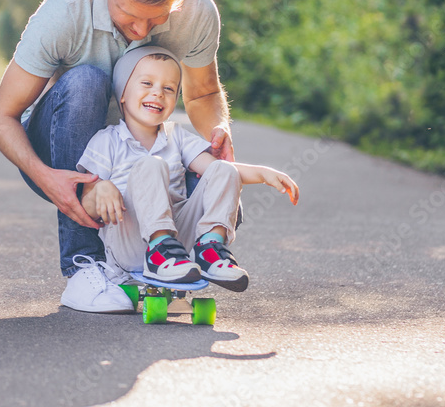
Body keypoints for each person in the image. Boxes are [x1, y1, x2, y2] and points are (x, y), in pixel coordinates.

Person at [0, 0, 234, 313]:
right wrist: (46, 176)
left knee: (218, 182)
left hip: (141, 159)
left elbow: (202, 94)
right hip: (63, 154)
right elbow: (2, 117)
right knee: (87, 81)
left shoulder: (197, 14)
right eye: (130, 15)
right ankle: (84, 266)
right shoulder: (65, 13)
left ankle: (158, 263)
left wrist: (219, 133)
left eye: (156, 20)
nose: (140, 31)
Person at [74, 46, 298, 306]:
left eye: (169, 89)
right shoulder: (107, 141)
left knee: (223, 168)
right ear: (122, 93)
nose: (158, 92)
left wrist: (263, 173)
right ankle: (158, 251)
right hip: (129, 239)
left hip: (180, 243)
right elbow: (85, 203)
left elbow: (216, 171)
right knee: (150, 165)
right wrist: (101, 187)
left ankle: (210, 250)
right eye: (147, 83)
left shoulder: (175, 136)